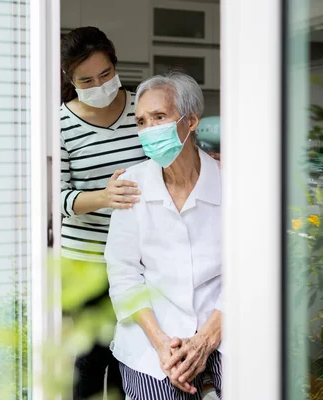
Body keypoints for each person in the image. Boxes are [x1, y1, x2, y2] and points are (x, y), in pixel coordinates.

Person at [105, 72, 224, 400]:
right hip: (153, 333)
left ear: (191, 121)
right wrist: (161, 345)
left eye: (160, 117)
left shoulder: (230, 182)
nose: (149, 129)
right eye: (142, 121)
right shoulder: (131, 184)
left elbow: (249, 269)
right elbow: (124, 275)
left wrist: (206, 340)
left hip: (223, 321)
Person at [60, 26, 147, 399]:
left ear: (115, 63)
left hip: (143, 258)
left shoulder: (142, 108)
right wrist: (104, 196)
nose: (99, 84)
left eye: (106, 74)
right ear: (70, 78)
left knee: (138, 360)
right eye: (87, 79)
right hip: (87, 265)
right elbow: (57, 198)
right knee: (91, 365)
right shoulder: (60, 123)